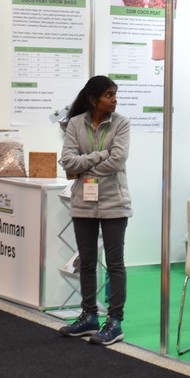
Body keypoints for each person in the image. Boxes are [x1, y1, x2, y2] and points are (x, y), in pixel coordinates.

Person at [58, 75, 131, 346]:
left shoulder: (121, 123)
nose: (114, 100)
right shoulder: (75, 123)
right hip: (83, 202)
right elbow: (68, 161)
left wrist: (84, 167)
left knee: (115, 264)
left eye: (115, 94)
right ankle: (89, 316)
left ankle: (115, 321)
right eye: (109, 95)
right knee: (86, 262)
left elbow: (117, 160)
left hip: (114, 202)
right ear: (93, 99)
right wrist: (100, 155)